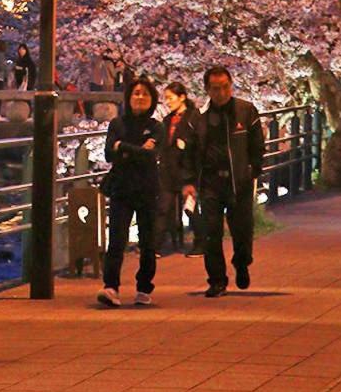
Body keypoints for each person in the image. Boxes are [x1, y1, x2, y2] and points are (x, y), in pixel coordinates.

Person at [180, 66, 265, 298]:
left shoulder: (245, 111)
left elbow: (257, 145)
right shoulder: (198, 118)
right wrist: (189, 181)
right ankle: (217, 280)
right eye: (215, 88)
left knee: (242, 230)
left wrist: (253, 169)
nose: (221, 92)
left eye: (225, 87)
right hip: (210, 182)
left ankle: (242, 262)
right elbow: (189, 152)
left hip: (240, 181)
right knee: (211, 232)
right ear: (207, 89)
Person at [97, 77, 164, 308]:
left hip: (146, 188)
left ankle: (144, 287)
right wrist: (136, 149)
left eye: (145, 94)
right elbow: (108, 154)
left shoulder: (156, 126)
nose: (140, 97)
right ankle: (110, 287)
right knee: (116, 239)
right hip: (122, 187)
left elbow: (151, 155)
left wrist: (122, 148)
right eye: (136, 93)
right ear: (128, 97)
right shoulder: (117, 124)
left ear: (152, 99)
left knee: (148, 242)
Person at [160, 82, 203, 256]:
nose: (167, 102)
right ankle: (156, 244)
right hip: (169, 170)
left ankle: (201, 242)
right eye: (166, 98)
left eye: (170, 98)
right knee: (164, 206)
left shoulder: (194, 118)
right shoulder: (167, 119)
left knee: (190, 208)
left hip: (187, 170)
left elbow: (201, 143)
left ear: (182, 97)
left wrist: (186, 144)